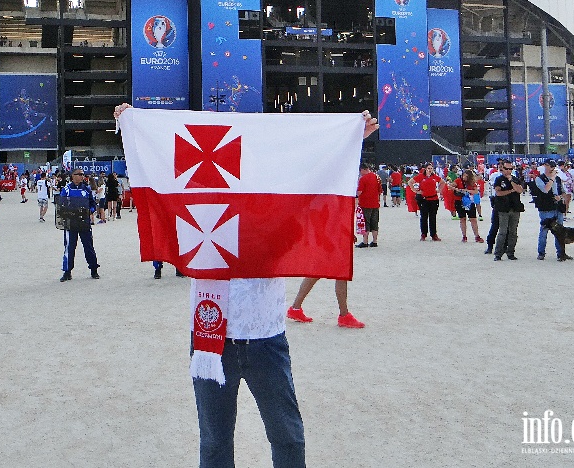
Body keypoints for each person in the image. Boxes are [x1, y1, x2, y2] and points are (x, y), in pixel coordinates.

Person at [114, 101, 378, 468]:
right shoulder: (197, 201)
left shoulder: (275, 211)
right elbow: (159, 178)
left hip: (265, 335)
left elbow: (313, 192)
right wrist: (134, 124)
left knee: (287, 435)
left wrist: (349, 142)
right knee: (215, 442)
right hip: (211, 335)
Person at [57, 169, 100, 281]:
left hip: (84, 223)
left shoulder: (86, 189)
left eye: (82, 174)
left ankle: (94, 269)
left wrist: (89, 211)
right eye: (79, 174)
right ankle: (67, 271)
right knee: (69, 248)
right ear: (73, 176)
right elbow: (61, 206)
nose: (82, 176)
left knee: (88, 246)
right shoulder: (66, 189)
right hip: (71, 223)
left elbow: (92, 204)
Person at [534, 160, 568, 261]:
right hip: (546, 208)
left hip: (557, 206)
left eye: (554, 166)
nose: (552, 168)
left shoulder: (557, 179)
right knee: (544, 230)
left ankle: (561, 253)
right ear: (545, 166)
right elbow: (545, 189)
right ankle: (541, 252)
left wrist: (561, 198)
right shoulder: (540, 179)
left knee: (560, 231)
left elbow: (562, 191)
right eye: (550, 166)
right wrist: (552, 178)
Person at [492, 160, 524, 261]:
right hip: (503, 208)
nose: (508, 171)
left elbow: (520, 190)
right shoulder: (498, 179)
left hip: (515, 208)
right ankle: (498, 253)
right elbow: (498, 193)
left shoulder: (515, 179)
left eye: (510, 169)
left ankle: (511, 252)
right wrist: (510, 191)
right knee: (502, 232)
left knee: (513, 232)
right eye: (506, 169)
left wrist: (511, 181)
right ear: (502, 169)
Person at [409, 163, 443, 241]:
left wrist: (439, 190)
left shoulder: (434, 177)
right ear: (425, 169)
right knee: (424, 217)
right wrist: (416, 191)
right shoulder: (421, 176)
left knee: (433, 217)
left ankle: (433, 234)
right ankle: (423, 234)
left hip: (434, 199)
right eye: (428, 168)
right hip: (424, 199)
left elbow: (442, 182)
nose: (430, 170)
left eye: (431, 168)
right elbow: (410, 182)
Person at [453, 169, 483, 243]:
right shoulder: (458, 180)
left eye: (466, 176)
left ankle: (477, 236)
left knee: (473, 219)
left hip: (469, 201)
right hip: (459, 201)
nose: (464, 177)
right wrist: (457, 189)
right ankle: (464, 236)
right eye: (464, 175)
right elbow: (451, 186)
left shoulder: (472, 183)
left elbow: (475, 191)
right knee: (462, 219)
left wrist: (467, 191)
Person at [355, 164, 379, 248]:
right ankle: (375, 241)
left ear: (363, 170)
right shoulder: (377, 177)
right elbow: (380, 190)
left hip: (365, 203)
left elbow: (359, 192)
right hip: (375, 203)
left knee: (365, 223)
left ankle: (365, 242)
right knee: (375, 222)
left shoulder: (363, 179)